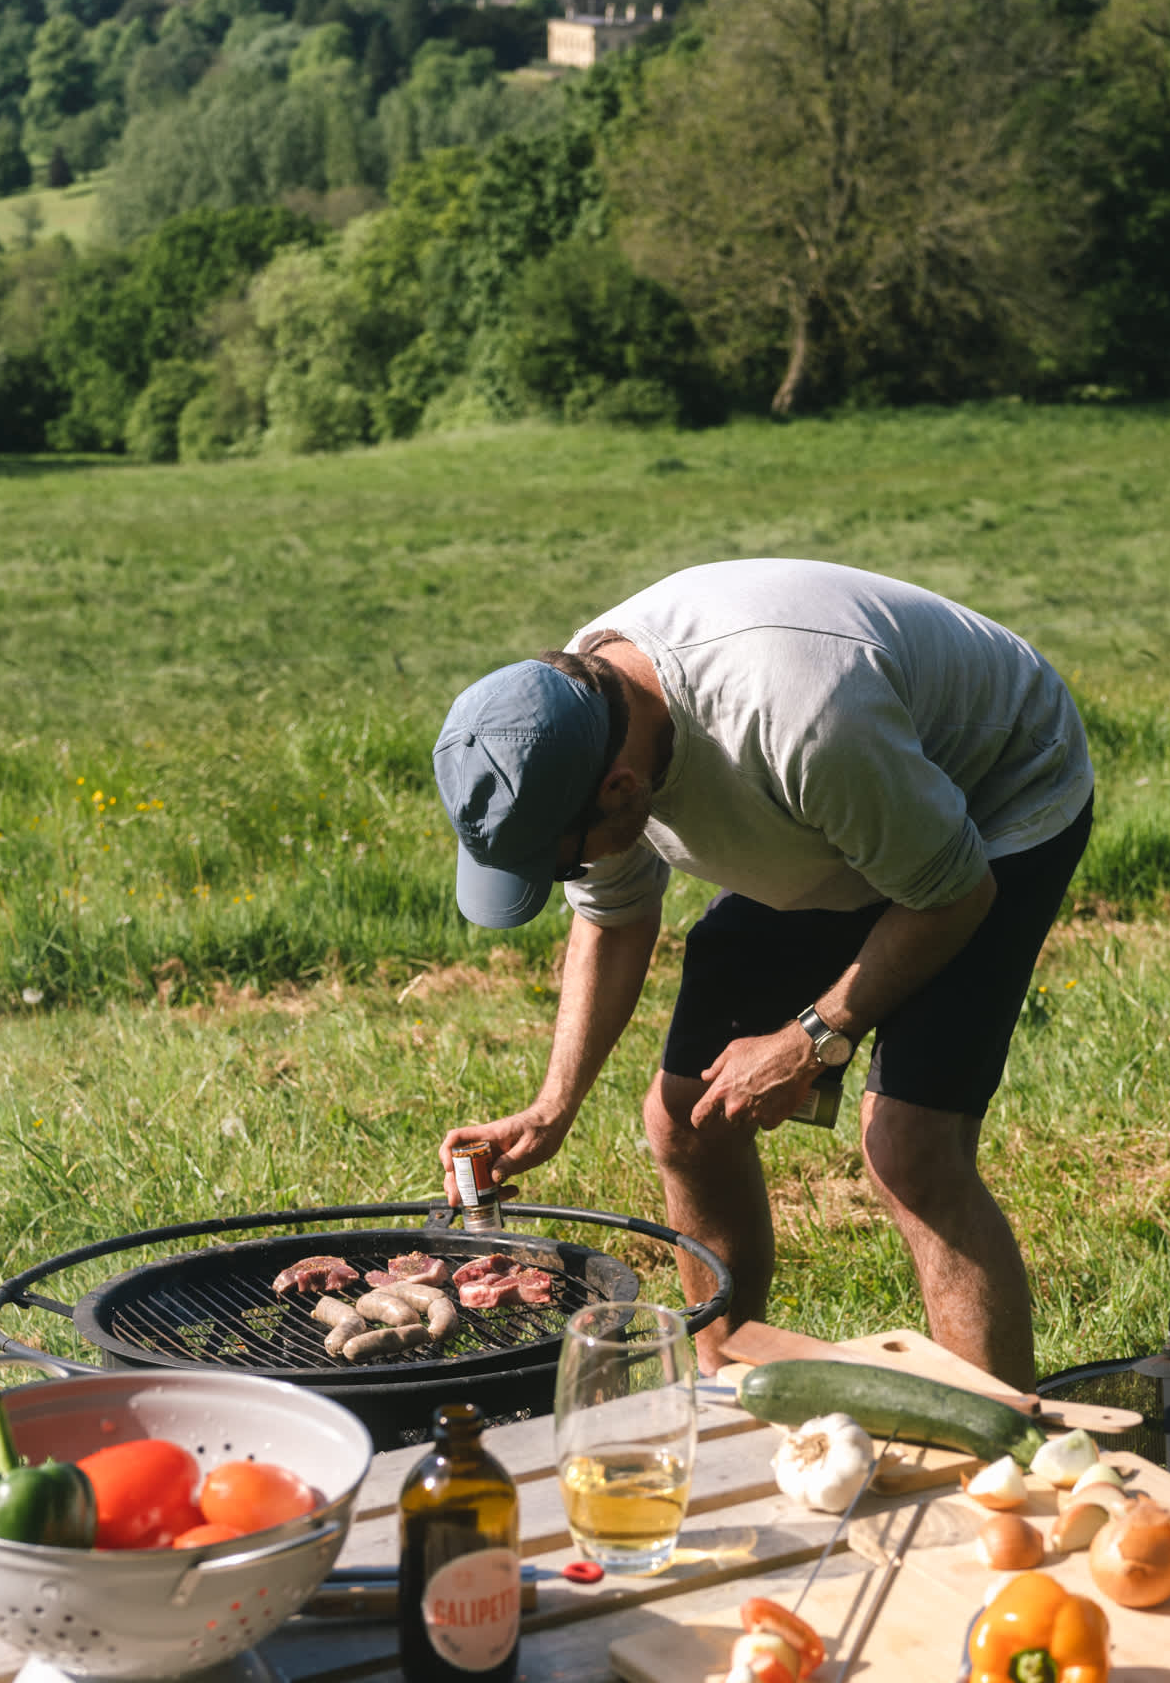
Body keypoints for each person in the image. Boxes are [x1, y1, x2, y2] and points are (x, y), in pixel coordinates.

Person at [430, 559, 1093, 1391]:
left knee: (910, 1150)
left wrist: (810, 1038)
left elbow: (955, 895)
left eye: (564, 858)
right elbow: (613, 914)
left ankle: (1002, 1459)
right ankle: (734, 1383)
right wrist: (551, 1108)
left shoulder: (800, 719)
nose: (574, 874)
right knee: (685, 1120)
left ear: (621, 788)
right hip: (835, 819)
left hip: (991, 806)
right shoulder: (569, 723)